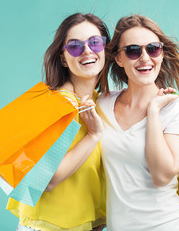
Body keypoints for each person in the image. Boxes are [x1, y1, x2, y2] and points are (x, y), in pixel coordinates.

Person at [6, 13, 110, 231]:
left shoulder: (102, 104)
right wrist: (93, 135)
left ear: (105, 49)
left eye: (94, 42)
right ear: (63, 58)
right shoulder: (56, 105)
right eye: (74, 46)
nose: (87, 51)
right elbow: (48, 179)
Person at [98, 15, 179, 230]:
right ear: (118, 58)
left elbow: (162, 176)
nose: (145, 58)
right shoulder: (102, 104)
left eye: (153, 49)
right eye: (133, 50)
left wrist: (153, 112)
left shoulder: (176, 109)